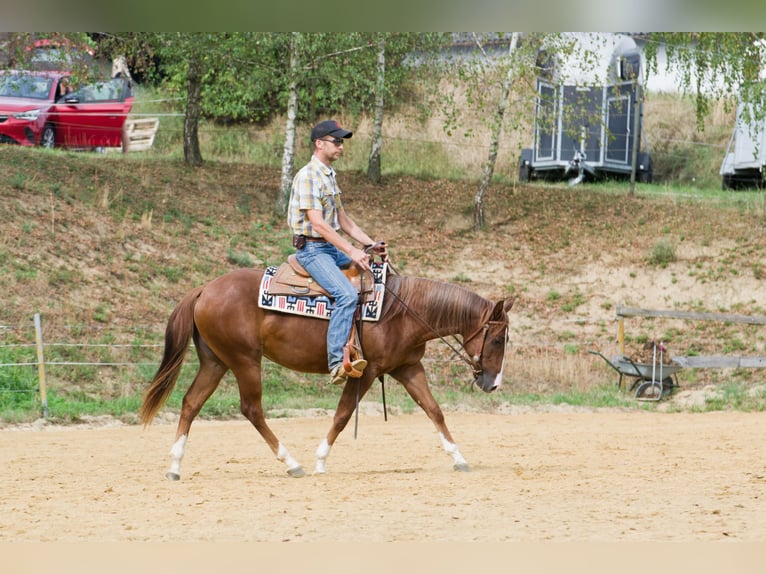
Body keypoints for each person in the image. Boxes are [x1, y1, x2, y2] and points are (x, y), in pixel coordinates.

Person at [287, 119, 388, 386]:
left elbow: (343, 220)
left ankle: (366, 346)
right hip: (312, 250)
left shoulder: (329, 175)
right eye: (337, 141)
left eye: (342, 141)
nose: (341, 146)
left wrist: (369, 246)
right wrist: (352, 251)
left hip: (330, 249)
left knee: (373, 275)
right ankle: (336, 362)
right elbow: (318, 224)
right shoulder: (308, 176)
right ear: (319, 143)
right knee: (345, 295)